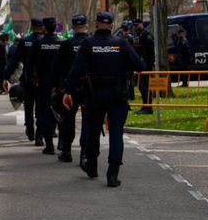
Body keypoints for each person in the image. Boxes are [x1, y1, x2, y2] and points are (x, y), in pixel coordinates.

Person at [62, 11, 146, 187]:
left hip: (94, 94)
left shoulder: (88, 43)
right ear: (112, 26)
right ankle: (113, 174)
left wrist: (67, 90)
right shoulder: (120, 43)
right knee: (116, 133)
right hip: (117, 94)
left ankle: (92, 165)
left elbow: (76, 69)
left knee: (93, 131)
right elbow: (140, 66)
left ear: (96, 24)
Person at [52, 14, 90, 163]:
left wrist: (57, 85)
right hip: (88, 88)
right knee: (88, 121)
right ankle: (84, 154)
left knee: (68, 120)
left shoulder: (66, 44)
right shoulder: (91, 43)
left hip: (70, 89)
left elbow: (56, 67)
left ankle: (67, 151)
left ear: (73, 28)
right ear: (86, 26)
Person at [4, 18, 45, 142]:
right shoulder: (45, 41)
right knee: (41, 107)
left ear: (31, 28)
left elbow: (14, 60)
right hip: (43, 80)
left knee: (28, 105)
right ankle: (39, 135)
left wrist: (6, 76)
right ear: (42, 28)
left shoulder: (25, 41)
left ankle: (30, 129)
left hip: (28, 79)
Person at [30, 16, 64, 155]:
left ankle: (49, 144)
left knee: (44, 113)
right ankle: (62, 143)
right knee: (62, 113)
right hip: (60, 84)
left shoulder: (38, 43)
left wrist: (32, 77)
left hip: (43, 83)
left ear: (44, 28)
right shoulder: (63, 43)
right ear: (55, 27)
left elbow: (30, 63)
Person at [132, 19, 156, 114]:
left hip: (146, 64)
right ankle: (145, 105)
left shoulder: (147, 35)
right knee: (141, 87)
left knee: (144, 86)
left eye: (137, 25)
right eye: (134, 25)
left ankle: (148, 107)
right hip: (140, 64)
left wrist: (150, 63)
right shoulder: (138, 35)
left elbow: (150, 51)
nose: (135, 27)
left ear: (141, 24)